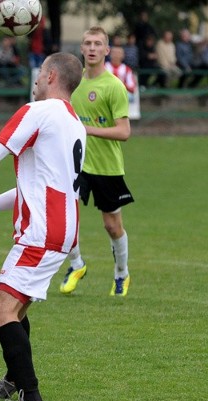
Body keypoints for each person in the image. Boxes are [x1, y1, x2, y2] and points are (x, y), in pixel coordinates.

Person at [0, 51, 86, 401]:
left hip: (41, 231)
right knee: (12, 310)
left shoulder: (38, 111)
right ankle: (15, 378)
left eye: (39, 72)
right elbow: (40, 187)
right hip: (62, 227)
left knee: (0, 309)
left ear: (49, 75)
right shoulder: (73, 122)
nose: (35, 78)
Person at [62, 26, 134, 297]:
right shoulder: (72, 82)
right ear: (81, 49)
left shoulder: (113, 86)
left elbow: (124, 132)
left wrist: (87, 129)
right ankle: (76, 264)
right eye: (87, 43)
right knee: (65, 219)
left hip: (106, 166)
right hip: (74, 164)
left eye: (97, 44)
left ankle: (121, 273)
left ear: (106, 50)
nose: (92, 48)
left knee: (112, 225)